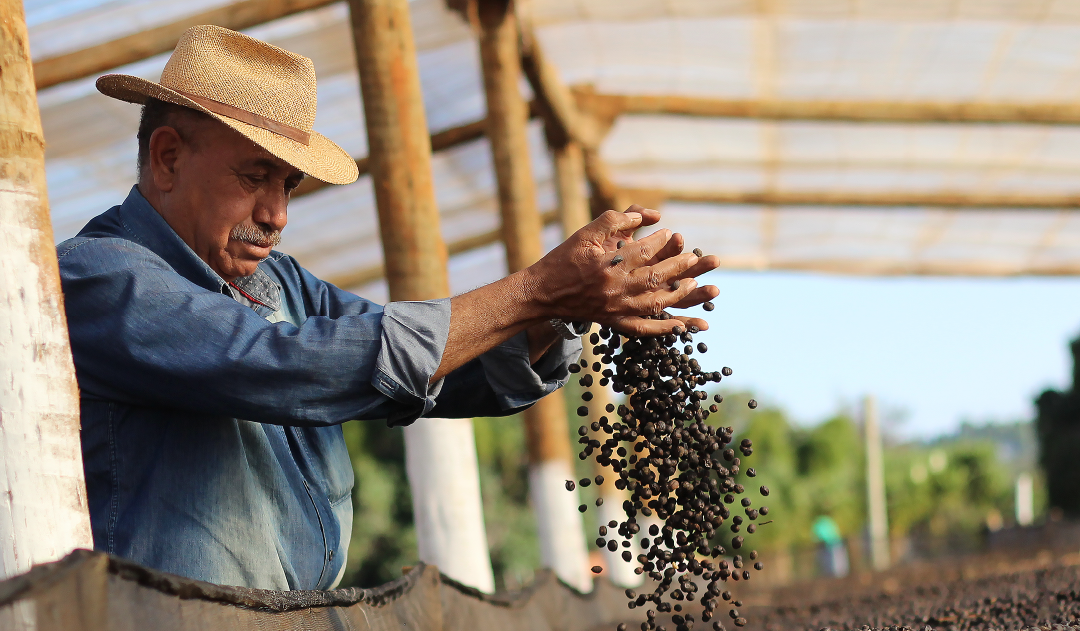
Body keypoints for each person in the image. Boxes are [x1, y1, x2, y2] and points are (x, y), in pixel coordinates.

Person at [56, 25, 719, 590]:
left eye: (288, 185)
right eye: (254, 176)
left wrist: (561, 310)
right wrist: (538, 288)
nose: (277, 214)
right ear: (167, 158)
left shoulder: (282, 285)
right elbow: (283, 365)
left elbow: (429, 368)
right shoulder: (101, 276)